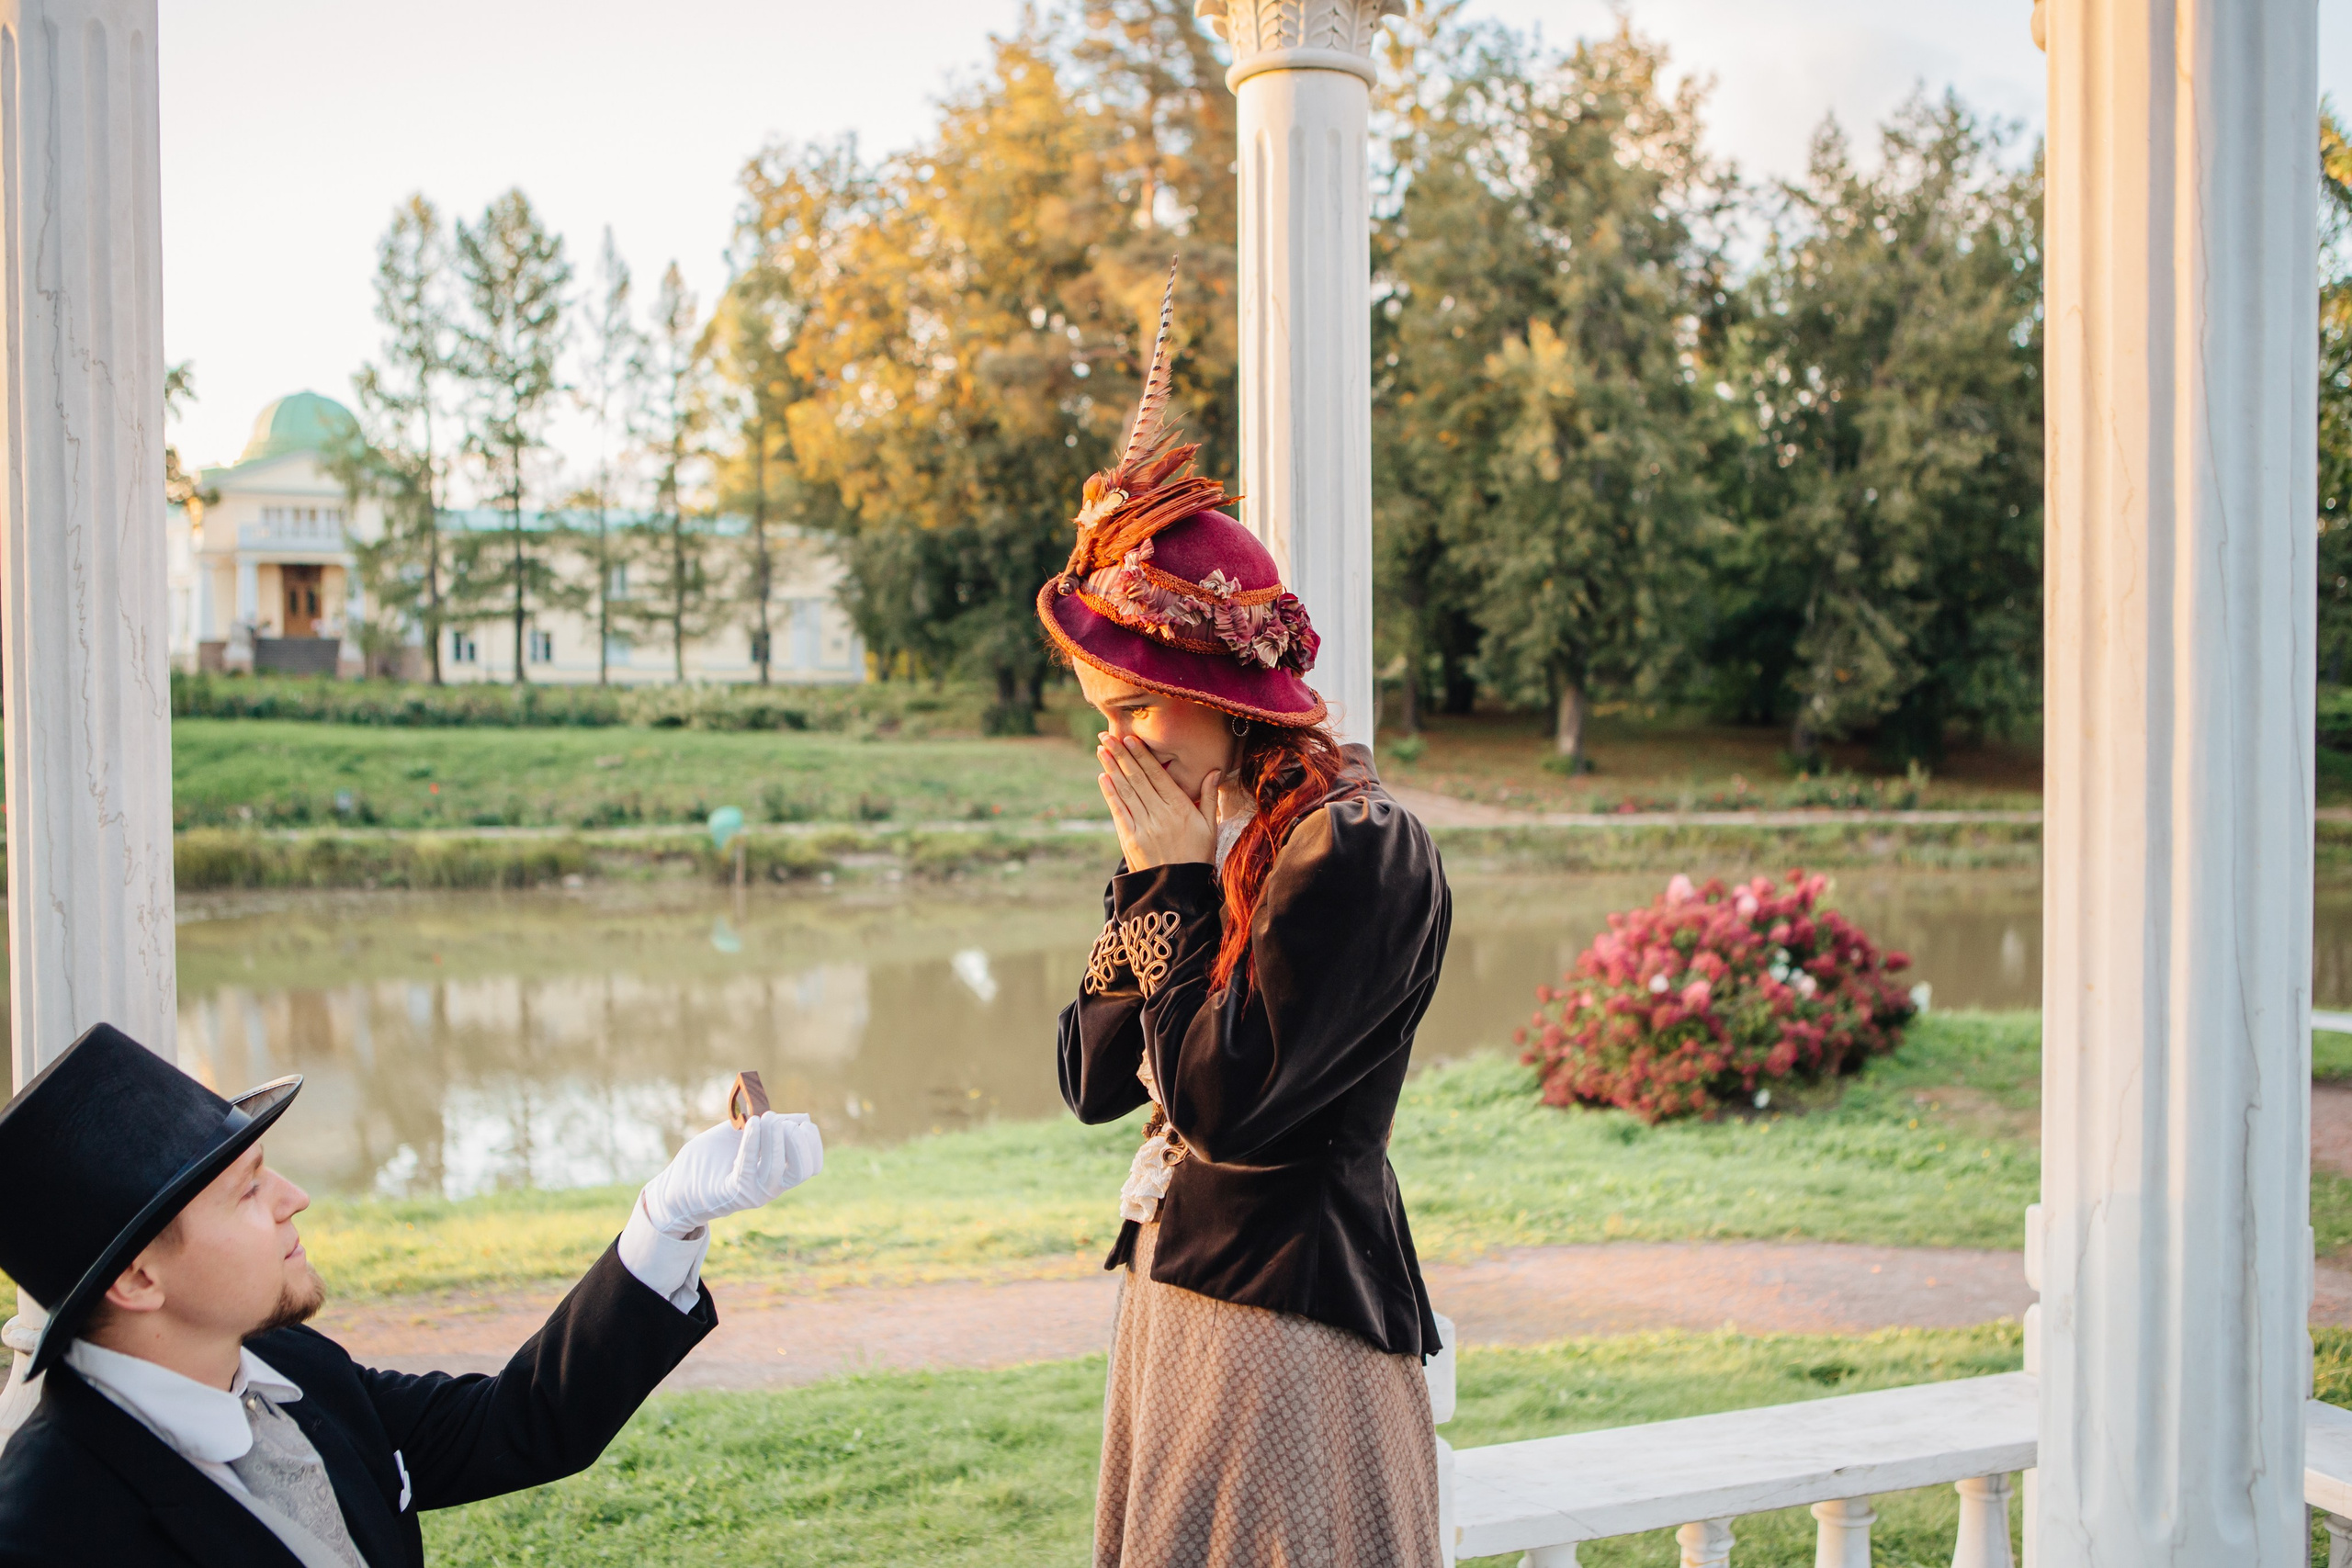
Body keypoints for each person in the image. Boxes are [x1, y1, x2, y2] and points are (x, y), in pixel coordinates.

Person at [1043, 263, 1452, 1568]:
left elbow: (1227, 1103)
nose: (1117, 738)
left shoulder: (1356, 847)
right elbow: (1093, 1074)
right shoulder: (1207, 835)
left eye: (1134, 706)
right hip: (1181, 1300)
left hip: (1291, 1321)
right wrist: (1149, 876)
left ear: (1227, 692)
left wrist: (1169, 881)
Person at [0, 1021, 823, 1567]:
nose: (293, 1196)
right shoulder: (52, 1526)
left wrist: (669, 1214)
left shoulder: (289, 1367)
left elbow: (520, 1421)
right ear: (139, 1277)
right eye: (248, 1191)